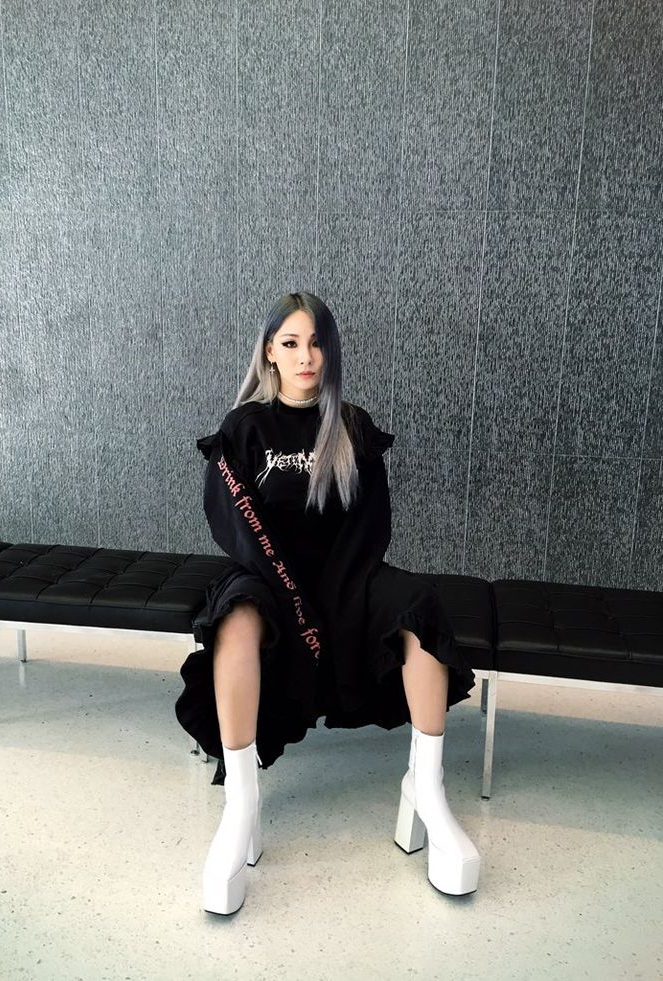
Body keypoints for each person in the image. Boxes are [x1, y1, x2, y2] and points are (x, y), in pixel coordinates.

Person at [175, 291, 480, 915]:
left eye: (317, 343)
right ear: (270, 353)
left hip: (346, 577)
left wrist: (333, 599)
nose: (306, 356)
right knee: (234, 619)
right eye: (291, 343)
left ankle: (427, 786)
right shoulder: (244, 430)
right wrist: (289, 596)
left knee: (417, 604)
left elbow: (371, 528)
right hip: (267, 577)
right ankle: (241, 801)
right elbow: (233, 525)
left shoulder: (353, 427)